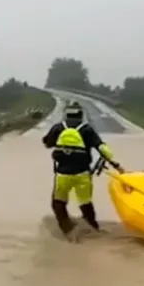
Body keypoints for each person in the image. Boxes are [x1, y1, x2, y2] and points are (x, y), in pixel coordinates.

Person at [42, 101, 122, 239]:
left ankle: (67, 231)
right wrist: (116, 165)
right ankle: (93, 229)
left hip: (62, 175)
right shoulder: (87, 130)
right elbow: (102, 148)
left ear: (66, 114)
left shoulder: (58, 128)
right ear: (81, 114)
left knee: (58, 204)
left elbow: (47, 143)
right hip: (83, 174)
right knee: (85, 204)